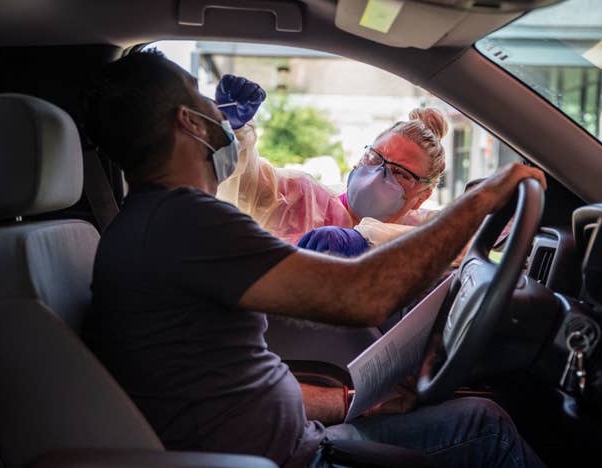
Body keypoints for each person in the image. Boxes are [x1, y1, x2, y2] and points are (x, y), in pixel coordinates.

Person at [82, 50, 547, 468]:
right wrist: (479, 202)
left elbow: (234, 384)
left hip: (293, 440)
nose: (218, 112)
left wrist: (346, 403)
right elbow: (364, 296)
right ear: (190, 122)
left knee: (475, 417)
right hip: (288, 458)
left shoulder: (157, 220)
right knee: (484, 429)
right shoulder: (185, 221)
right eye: (203, 101)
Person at [214, 74, 443, 255]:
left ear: (423, 195)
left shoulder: (425, 230)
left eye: (399, 173)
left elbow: (464, 238)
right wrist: (235, 131)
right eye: (374, 158)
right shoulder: (302, 197)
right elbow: (243, 186)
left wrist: (369, 240)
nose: (377, 174)